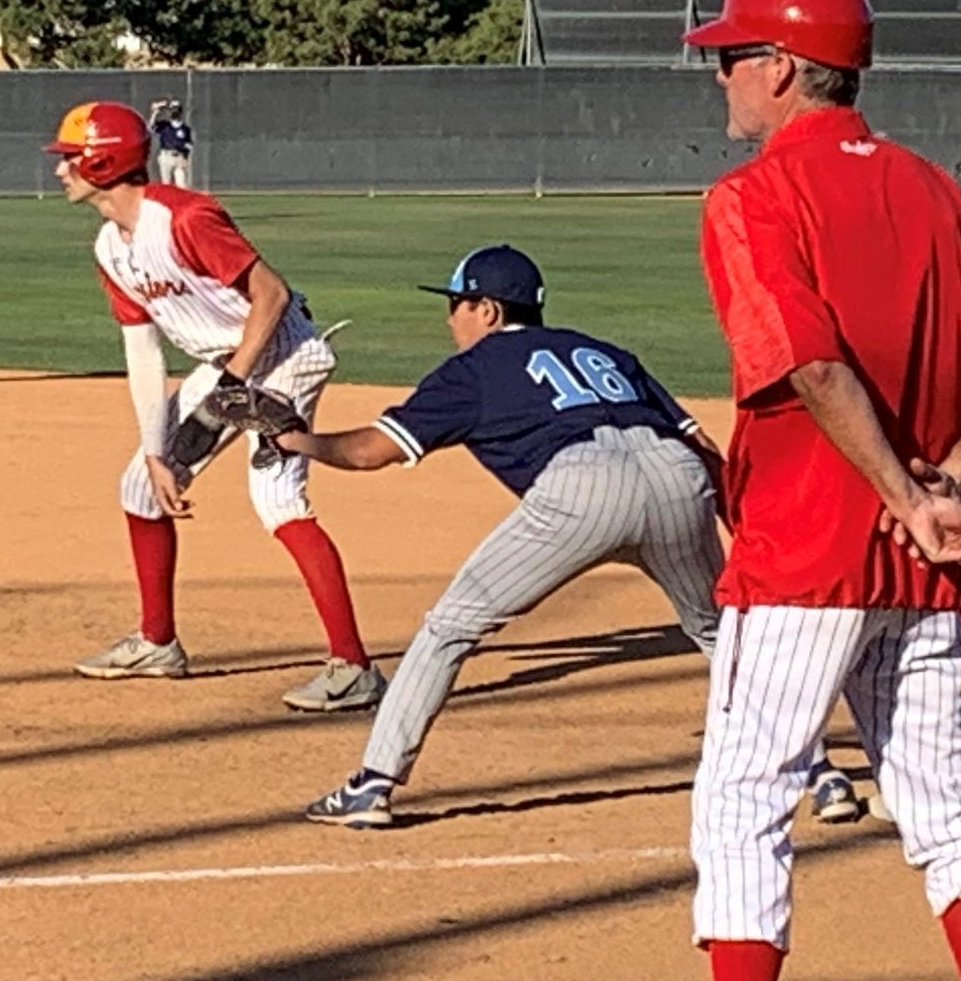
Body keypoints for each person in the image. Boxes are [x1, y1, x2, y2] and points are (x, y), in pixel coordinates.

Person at [683, 0, 961, 981]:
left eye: (731, 56)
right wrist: (946, 487)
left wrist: (903, 491)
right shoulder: (934, 189)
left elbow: (806, 360)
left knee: (747, 795)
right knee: (946, 805)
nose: (722, 77)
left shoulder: (751, 196)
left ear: (785, 69)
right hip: (923, 566)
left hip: (802, 551)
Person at [274, 244, 727, 828]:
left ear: (487, 310)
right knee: (722, 632)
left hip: (582, 488)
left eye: (458, 303)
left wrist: (298, 440)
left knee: (449, 627)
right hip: (677, 477)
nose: (451, 318)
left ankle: (374, 784)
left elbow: (369, 452)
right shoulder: (603, 351)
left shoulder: (475, 368)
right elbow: (703, 448)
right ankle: (814, 770)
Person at [44, 100, 385, 708]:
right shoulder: (109, 248)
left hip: (281, 353)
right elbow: (143, 352)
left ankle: (353, 666)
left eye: (69, 159)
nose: (59, 171)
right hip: (224, 366)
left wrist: (238, 377)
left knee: (277, 500)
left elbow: (271, 294)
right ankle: (157, 642)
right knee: (141, 487)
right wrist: (156, 453)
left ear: (102, 160)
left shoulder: (185, 218)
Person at [148, 98, 193, 188]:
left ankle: (181, 202)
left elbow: (189, 144)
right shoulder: (165, 125)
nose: (175, 112)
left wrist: (186, 155)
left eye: (177, 109)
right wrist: (156, 112)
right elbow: (151, 126)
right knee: (166, 185)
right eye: (173, 109)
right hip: (166, 157)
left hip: (179, 157)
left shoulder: (185, 129)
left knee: (182, 186)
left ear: (180, 111)